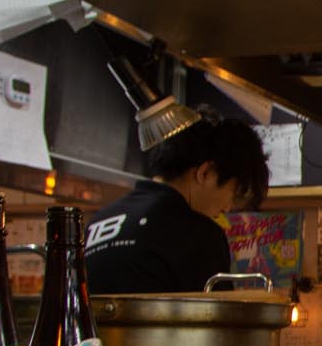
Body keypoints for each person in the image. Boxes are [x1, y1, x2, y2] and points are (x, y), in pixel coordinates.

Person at [84, 115, 268, 294]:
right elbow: (220, 321)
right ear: (206, 173)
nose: (226, 208)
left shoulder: (96, 224)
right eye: (233, 193)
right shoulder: (201, 235)